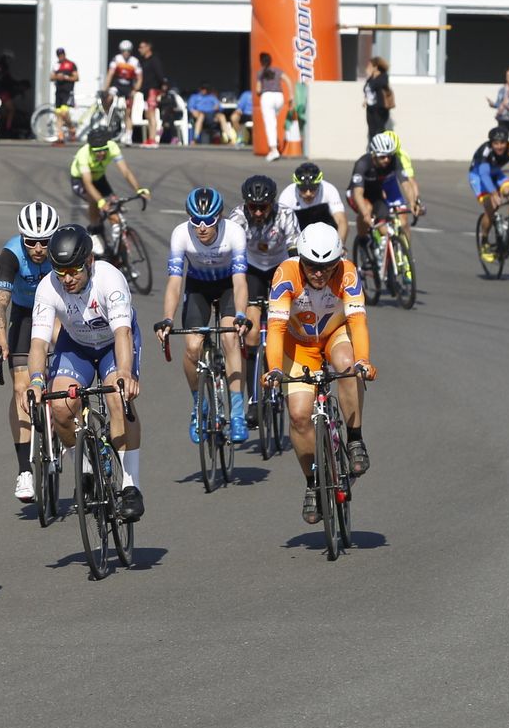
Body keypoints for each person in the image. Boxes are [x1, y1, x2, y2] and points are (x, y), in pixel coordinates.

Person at [27, 224, 146, 522]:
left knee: (118, 396)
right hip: (76, 346)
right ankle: (87, 469)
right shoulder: (47, 287)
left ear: (90, 261)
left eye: (74, 270)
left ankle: (131, 486)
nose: (67, 279)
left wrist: (125, 373)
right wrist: (36, 381)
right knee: (60, 406)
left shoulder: (110, 279)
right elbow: (38, 343)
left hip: (112, 345)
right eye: (60, 271)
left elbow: (122, 333)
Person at [261, 224, 376, 524]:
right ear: (300, 259)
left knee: (348, 366)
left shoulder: (348, 273)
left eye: (327, 267)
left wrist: (364, 360)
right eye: (312, 266)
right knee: (299, 416)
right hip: (298, 345)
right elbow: (275, 328)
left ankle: (355, 439)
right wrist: (274, 368)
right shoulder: (286, 274)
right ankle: (313, 484)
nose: (319, 273)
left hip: (334, 335)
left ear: (338, 262)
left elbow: (358, 323)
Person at [157, 187, 250, 444]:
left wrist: (240, 314)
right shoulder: (180, 234)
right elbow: (175, 283)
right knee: (192, 347)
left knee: (231, 338)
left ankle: (238, 414)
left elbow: (240, 282)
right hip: (198, 287)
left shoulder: (234, 232)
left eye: (208, 220)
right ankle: (199, 406)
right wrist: (168, 318)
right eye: (195, 220)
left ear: (219, 217)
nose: (201, 227)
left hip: (228, 286)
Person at [0, 200, 60, 501]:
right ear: (22, 238)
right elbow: (0, 305)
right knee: (21, 388)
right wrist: (1, 342)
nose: (39, 249)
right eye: (31, 242)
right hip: (25, 314)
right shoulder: (11, 254)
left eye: (45, 242)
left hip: (58, 312)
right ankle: (24, 471)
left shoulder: (61, 248)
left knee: (64, 376)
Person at [228, 175, 300, 426]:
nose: (258, 212)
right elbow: (230, 256)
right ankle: (254, 399)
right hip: (253, 269)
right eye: (253, 207)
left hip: (281, 266)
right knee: (251, 335)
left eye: (263, 207)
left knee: (288, 323)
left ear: (272, 204)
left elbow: (295, 254)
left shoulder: (286, 215)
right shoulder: (237, 218)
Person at [69, 126, 150, 253]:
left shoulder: (112, 147)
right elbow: (88, 184)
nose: (101, 153)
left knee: (114, 211)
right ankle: (94, 232)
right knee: (93, 200)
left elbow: (126, 171)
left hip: (99, 178)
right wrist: (101, 201)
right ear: (91, 149)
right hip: (81, 181)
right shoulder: (83, 154)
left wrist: (139, 189)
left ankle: (119, 247)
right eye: (97, 151)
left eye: (104, 150)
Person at [347, 133, 413, 247]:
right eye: (382, 157)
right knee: (367, 210)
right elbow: (358, 194)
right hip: (356, 194)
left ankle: (383, 249)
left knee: (383, 220)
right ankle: (362, 240)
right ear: (373, 155)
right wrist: (365, 214)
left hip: (375, 193)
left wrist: (412, 203)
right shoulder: (362, 164)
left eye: (389, 156)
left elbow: (406, 184)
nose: (387, 160)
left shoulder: (394, 160)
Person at [279, 162, 349, 238]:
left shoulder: (329, 189)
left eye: (312, 188)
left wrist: (340, 243)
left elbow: (341, 221)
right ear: (297, 186)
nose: (308, 193)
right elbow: (281, 227)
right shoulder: (287, 195)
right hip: (299, 229)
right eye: (303, 189)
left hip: (324, 226)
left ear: (318, 185)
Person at [374, 128, 425, 216]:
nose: (388, 159)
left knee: (403, 218)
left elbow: (410, 181)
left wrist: (416, 201)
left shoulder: (402, 157)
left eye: (392, 154)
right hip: (376, 182)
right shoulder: (374, 157)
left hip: (391, 183)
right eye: (384, 155)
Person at [255, 52, 289, 161]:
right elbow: (287, 80)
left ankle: (274, 150)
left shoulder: (260, 73)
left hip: (267, 97)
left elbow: (258, 89)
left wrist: (259, 91)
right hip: (279, 97)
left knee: (270, 124)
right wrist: (291, 94)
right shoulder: (277, 70)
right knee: (273, 121)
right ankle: (275, 141)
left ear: (261, 62)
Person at [106, 40, 141, 143]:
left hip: (128, 87)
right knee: (109, 97)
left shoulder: (135, 61)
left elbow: (139, 78)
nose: (126, 53)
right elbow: (110, 74)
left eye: (128, 51)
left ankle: (128, 136)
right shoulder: (117, 59)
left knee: (128, 113)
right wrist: (105, 88)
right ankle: (109, 114)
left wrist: (135, 90)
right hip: (117, 85)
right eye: (124, 51)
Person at [137, 40, 167, 147]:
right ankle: (150, 138)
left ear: (148, 47)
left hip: (153, 90)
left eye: (142, 47)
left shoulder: (154, 60)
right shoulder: (143, 61)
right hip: (146, 91)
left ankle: (153, 139)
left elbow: (160, 75)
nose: (140, 50)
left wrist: (163, 87)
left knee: (151, 113)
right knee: (147, 114)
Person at [49, 47, 80, 145]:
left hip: (68, 91)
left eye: (61, 54)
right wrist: (57, 77)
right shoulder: (56, 65)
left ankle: (71, 128)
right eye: (59, 55)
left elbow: (76, 77)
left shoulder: (71, 64)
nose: (60, 56)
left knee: (64, 113)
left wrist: (65, 77)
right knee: (58, 113)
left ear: (64, 54)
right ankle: (60, 136)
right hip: (59, 92)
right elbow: (51, 77)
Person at [361, 56, 392, 140]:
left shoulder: (383, 76)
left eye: (370, 65)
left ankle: (381, 146)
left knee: (380, 129)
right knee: (371, 130)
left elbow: (378, 85)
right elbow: (367, 89)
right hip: (370, 107)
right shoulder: (371, 78)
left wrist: (372, 76)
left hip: (380, 108)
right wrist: (365, 99)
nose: (368, 67)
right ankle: (372, 146)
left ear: (376, 67)